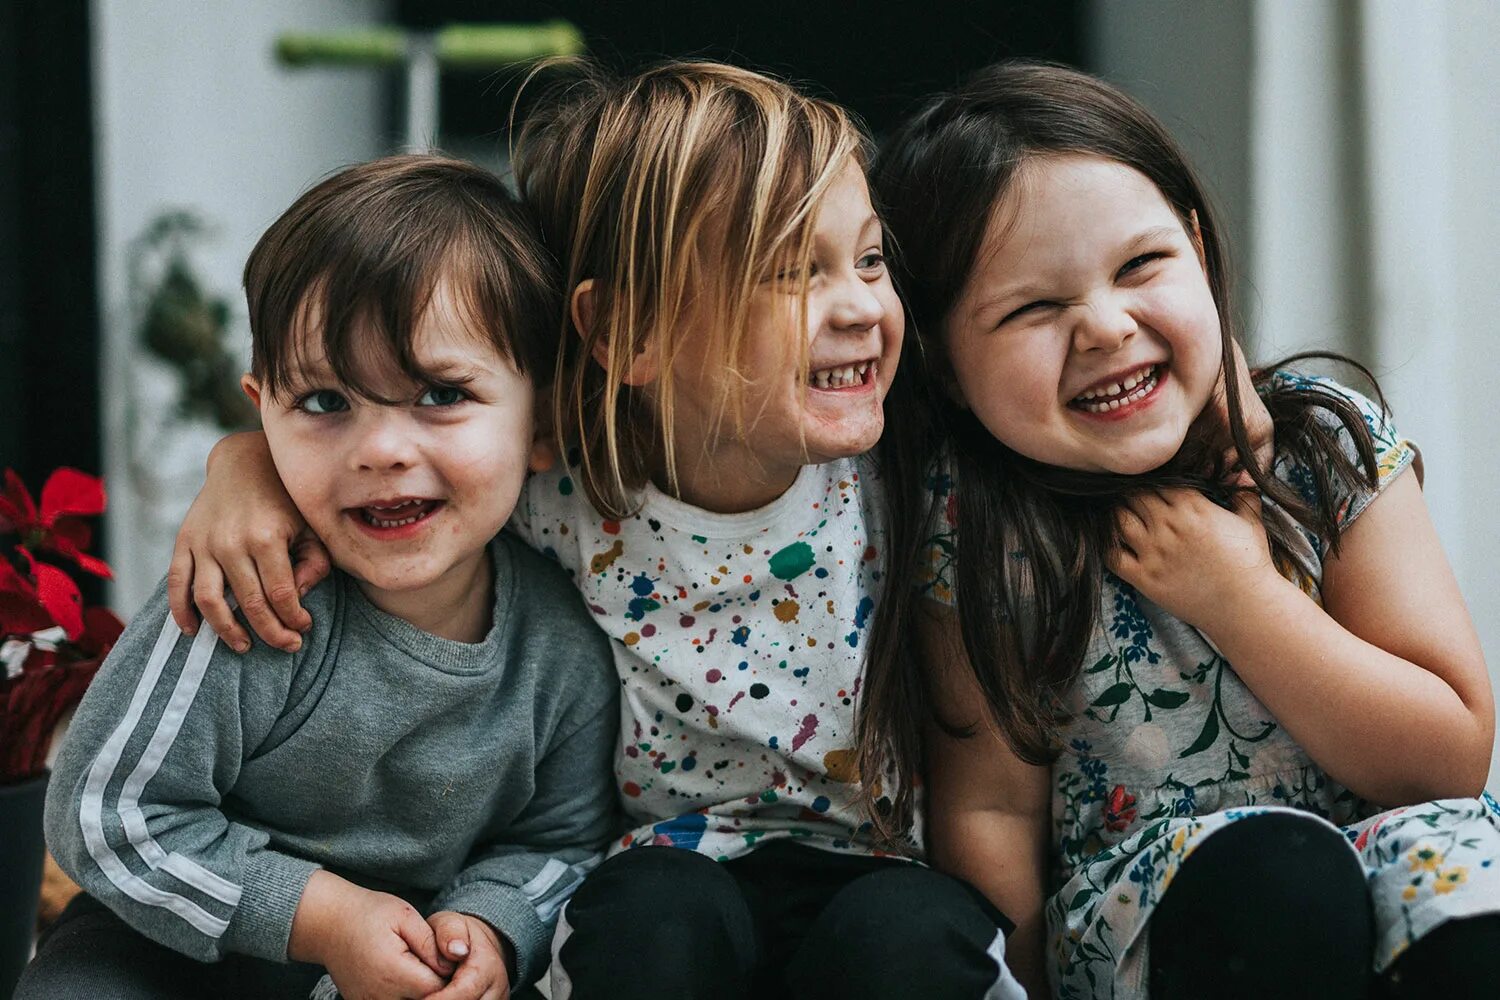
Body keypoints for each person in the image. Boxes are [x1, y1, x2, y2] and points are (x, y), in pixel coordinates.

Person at [158, 62, 1025, 999]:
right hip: (659, 879)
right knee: (649, 923)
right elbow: (413, 461)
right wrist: (246, 466)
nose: (859, 305)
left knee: (922, 935)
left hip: (878, 875)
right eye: (788, 272)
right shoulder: (562, 488)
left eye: (868, 259)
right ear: (628, 331)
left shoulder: (913, 475)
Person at [867, 60, 1500, 999]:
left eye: (1141, 266)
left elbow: (1445, 760)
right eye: (1034, 308)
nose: (1106, 326)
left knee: (1474, 892)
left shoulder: (1322, 448)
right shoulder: (980, 531)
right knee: (1280, 878)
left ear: (1199, 252)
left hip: (1385, 850)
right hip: (1153, 909)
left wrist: (1239, 596)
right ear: (946, 367)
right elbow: (992, 813)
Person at [18, 155, 619, 1000]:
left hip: (409, 961)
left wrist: (488, 923)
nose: (379, 449)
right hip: (181, 942)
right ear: (261, 411)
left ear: (545, 420)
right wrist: (325, 919)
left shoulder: (560, 649)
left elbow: (563, 841)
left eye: (441, 394)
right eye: (326, 403)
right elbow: (105, 815)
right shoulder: (246, 597)